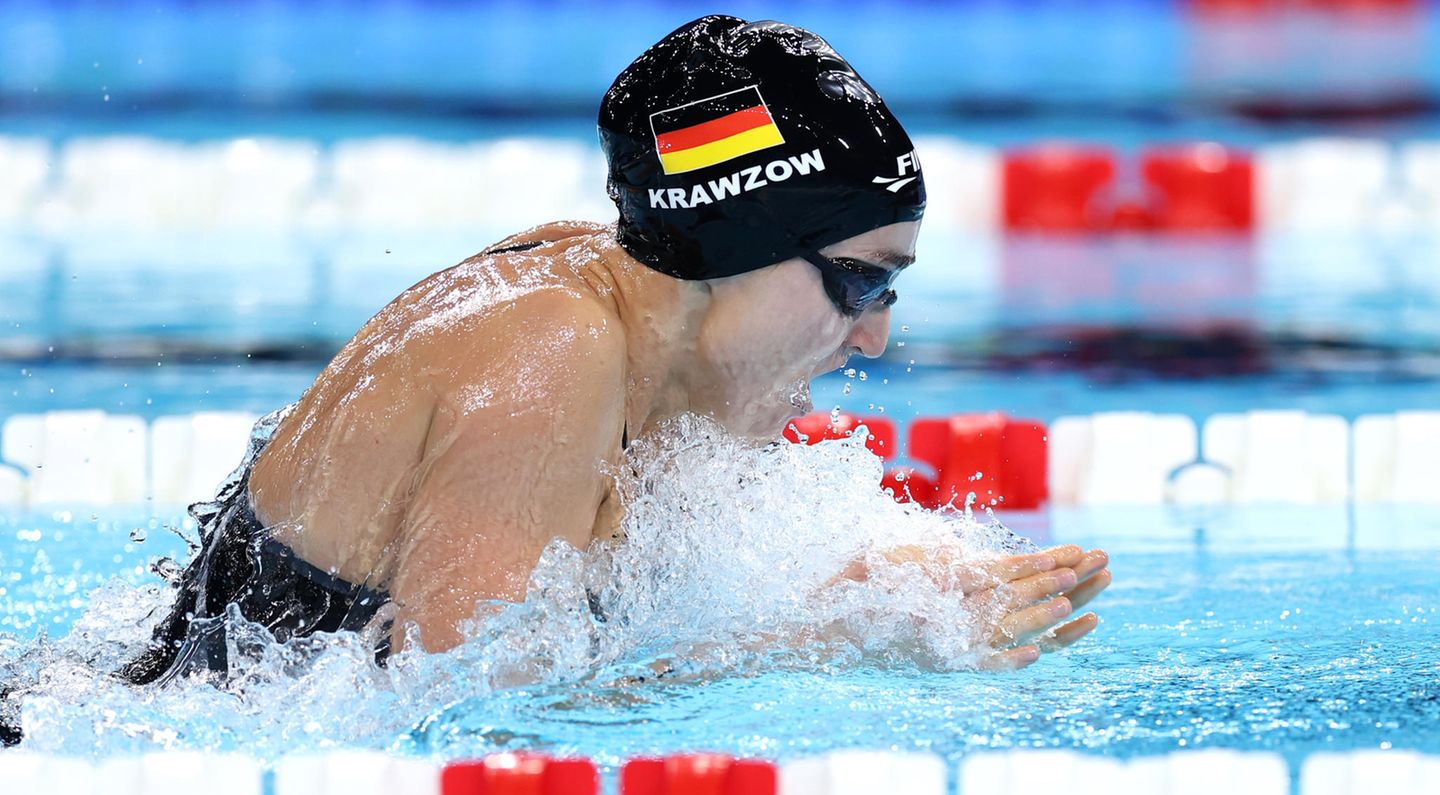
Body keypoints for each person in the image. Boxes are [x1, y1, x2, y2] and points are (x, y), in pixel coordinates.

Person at [117, 15, 1111, 686]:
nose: (874, 331)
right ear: (736, 248)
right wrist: (842, 643)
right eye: (860, 276)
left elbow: (610, 616)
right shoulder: (548, 351)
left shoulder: (643, 326)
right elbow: (463, 710)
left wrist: (880, 581)